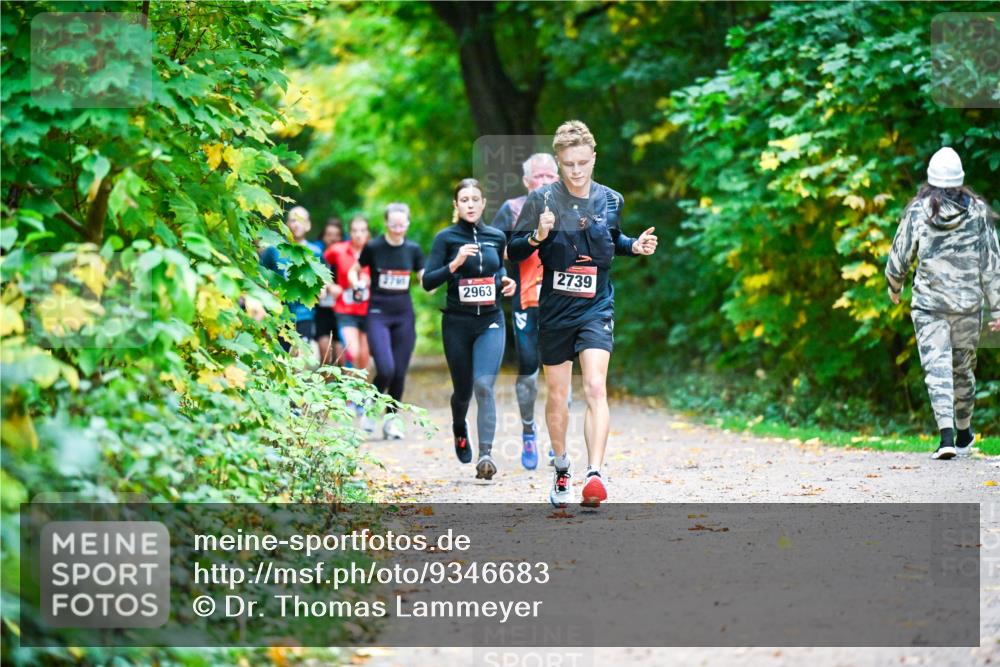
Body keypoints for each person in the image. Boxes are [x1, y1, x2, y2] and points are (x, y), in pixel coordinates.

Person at [509, 120, 658, 508]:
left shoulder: (611, 200)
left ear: (594, 158)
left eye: (583, 163)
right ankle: (562, 469)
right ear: (558, 162)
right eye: (568, 164)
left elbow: (613, 239)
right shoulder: (541, 199)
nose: (576, 171)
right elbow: (513, 250)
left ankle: (595, 473)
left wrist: (635, 246)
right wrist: (537, 236)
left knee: (594, 387)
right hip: (555, 310)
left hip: (596, 306)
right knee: (559, 395)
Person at [885, 146, 1000, 460]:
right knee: (963, 368)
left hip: (930, 305)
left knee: (937, 368)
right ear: (960, 179)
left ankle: (947, 437)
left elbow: (900, 252)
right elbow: (992, 261)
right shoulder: (977, 212)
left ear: (931, 179)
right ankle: (963, 434)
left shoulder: (919, 211)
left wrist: (893, 284)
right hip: (967, 305)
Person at [423, 178, 517, 480]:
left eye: (476, 199)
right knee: (463, 391)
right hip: (457, 324)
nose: (471, 204)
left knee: (484, 385)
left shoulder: (495, 236)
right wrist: (455, 263)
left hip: (490, 320)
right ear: (456, 205)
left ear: (484, 203)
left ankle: (486, 454)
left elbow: (498, 269)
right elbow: (427, 281)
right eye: (465, 200)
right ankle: (459, 426)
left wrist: (505, 280)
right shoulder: (445, 238)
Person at [491, 153, 560, 469]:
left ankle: (557, 441)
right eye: (539, 177)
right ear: (526, 181)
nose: (544, 182)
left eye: (550, 176)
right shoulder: (513, 210)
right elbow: (492, 250)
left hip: (563, 303)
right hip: (527, 302)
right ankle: (530, 431)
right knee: (530, 374)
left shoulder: (573, 208)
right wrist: (500, 275)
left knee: (562, 378)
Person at [355, 203, 425, 439]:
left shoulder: (413, 250)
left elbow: (424, 278)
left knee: (399, 372)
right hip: (377, 313)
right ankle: (370, 410)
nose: (397, 228)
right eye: (393, 224)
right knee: (385, 368)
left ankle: (391, 421)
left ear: (408, 224)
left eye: (401, 224)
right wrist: (358, 283)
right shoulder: (374, 247)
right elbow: (356, 269)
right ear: (386, 223)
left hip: (404, 315)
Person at [324, 216, 374, 428]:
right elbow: (320, 264)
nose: (358, 234)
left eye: (362, 230)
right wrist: (329, 284)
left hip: (369, 310)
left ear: (368, 233)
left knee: (364, 356)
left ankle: (360, 394)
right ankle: (354, 397)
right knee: (351, 351)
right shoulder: (337, 250)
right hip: (345, 309)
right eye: (354, 230)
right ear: (349, 232)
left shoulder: (375, 251)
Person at [260, 206, 323, 353]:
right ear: (287, 224)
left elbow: (323, 280)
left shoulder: (315, 252)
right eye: (293, 220)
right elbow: (260, 277)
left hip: (304, 315)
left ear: (308, 225)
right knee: (280, 360)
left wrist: (322, 290)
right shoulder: (273, 250)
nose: (296, 224)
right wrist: (268, 291)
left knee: (300, 360)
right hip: (278, 315)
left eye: (301, 221)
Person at [316, 217, 344, 367]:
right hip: (322, 312)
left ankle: (342, 389)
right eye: (329, 234)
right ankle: (325, 388)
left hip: (341, 312)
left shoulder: (345, 258)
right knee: (325, 356)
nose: (333, 238)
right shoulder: (316, 257)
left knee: (341, 357)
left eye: (336, 235)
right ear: (323, 236)